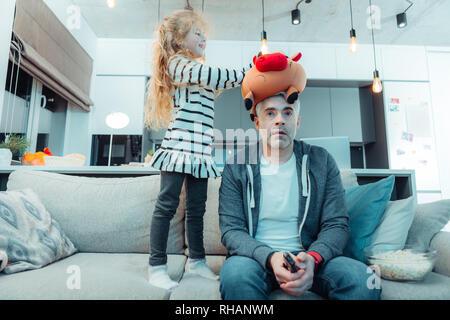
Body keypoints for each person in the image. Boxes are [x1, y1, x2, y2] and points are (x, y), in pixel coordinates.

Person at [218, 92, 382, 300]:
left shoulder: (321, 161)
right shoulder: (237, 165)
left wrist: (313, 258)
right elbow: (231, 230)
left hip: (310, 258)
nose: (280, 120)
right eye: (270, 113)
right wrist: (270, 257)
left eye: (288, 113)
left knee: (364, 280)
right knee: (235, 277)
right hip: (254, 259)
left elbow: (337, 224)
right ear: (258, 123)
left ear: (297, 121)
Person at [143, 9, 249, 291]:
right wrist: (246, 71)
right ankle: (156, 266)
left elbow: (221, 81)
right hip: (179, 147)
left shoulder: (196, 71)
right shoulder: (179, 65)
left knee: (197, 209)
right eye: (197, 33)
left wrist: (247, 75)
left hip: (200, 151)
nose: (203, 38)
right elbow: (215, 76)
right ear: (179, 38)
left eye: (203, 33)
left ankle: (197, 262)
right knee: (166, 207)